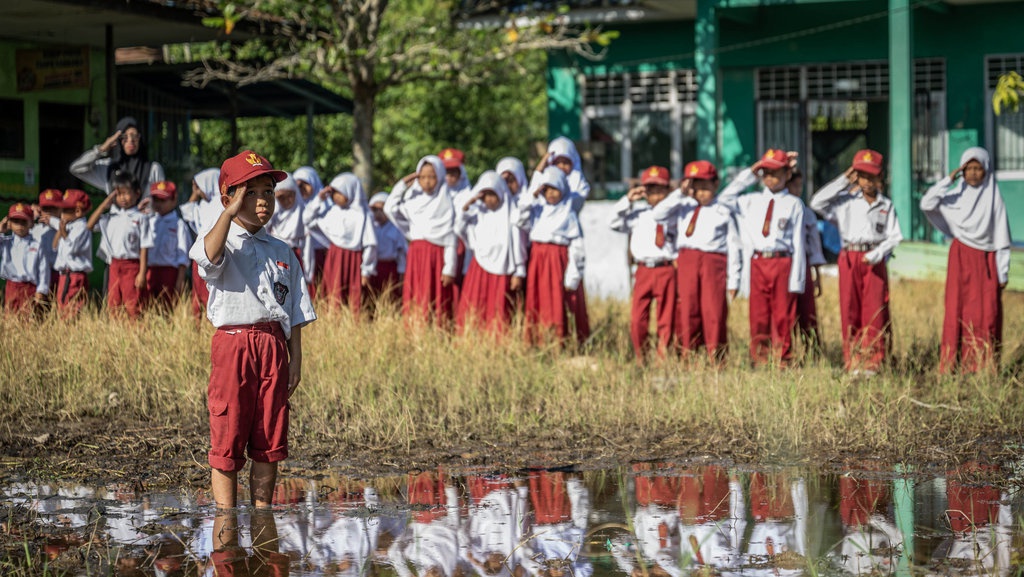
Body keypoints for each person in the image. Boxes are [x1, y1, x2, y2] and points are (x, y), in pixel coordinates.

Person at [188, 150, 316, 509]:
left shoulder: (282, 250)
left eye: (268, 192)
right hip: (233, 346)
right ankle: (226, 521)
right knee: (228, 433)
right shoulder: (218, 239)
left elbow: (296, 309)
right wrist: (227, 214)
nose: (263, 201)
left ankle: (263, 517)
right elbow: (208, 260)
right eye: (252, 192)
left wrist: (296, 359)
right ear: (229, 197)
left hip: (274, 345)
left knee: (269, 436)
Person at [920, 147, 1012, 374]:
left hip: (986, 260)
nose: (972, 173)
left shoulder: (994, 199)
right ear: (962, 171)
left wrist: (1003, 271)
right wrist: (947, 180)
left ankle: (982, 365)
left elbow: (1001, 238)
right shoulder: (955, 197)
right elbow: (927, 203)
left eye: (977, 168)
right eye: (968, 168)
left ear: (986, 170)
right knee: (956, 309)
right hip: (960, 258)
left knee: (986, 312)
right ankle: (953, 364)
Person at [810, 150, 902, 375]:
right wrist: (843, 180)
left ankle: (874, 360)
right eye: (862, 175)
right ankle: (853, 360)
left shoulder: (885, 205)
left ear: (880, 178)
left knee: (874, 310)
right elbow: (816, 202)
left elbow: (895, 236)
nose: (867, 181)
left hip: (874, 259)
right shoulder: (846, 202)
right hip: (850, 257)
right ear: (856, 176)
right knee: (850, 308)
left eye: (871, 176)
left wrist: (879, 253)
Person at [717, 149, 806, 368]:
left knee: (782, 314)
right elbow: (724, 198)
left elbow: (798, 243)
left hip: (782, 261)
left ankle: (783, 358)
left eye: (775, 172)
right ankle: (759, 358)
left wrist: (797, 279)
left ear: (787, 174)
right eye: (765, 172)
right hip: (758, 262)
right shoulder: (750, 201)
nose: (770, 177)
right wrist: (751, 172)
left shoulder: (794, 204)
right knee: (758, 314)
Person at [650, 161, 741, 363]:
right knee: (687, 308)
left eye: (705, 186)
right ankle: (687, 355)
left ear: (716, 184)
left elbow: (734, 247)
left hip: (713, 261)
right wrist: (680, 193)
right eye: (696, 186)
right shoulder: (683, 205)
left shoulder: (722, 211)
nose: (701, 192)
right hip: (687, 260)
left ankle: (716, 357)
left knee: (713, 310)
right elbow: (657, 214)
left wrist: (734, 279)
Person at [610, 166, 678, 363]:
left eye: (659, 189)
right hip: (643, 269)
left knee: (666, 315)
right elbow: (613, 222)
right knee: (638, 317)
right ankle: (642, 355)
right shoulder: (638, 214)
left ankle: (663, 355)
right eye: (650, 189)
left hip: (665, 268)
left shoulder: (674, 214)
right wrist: (628, 199)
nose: (655, 194)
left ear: (667, 190)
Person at [383, 155, 457, 328]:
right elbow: (389, 208)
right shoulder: (412, 201)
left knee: (435, 294)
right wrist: (403, 184)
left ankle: (437, 330)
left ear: (440, 177)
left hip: (437, 258)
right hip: (417, 255)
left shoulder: (446, 204)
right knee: (417, 293)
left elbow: (451, 240)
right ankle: (415, 330)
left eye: (432, 176)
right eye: (422, 177)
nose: (427, 181)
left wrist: (450, 268)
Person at [518, 166, 585, 346]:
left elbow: (577, 245)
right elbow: (519, 220)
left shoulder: (568, 214)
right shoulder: (537, 210)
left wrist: (573, 274)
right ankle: (538, 340)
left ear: (563, 189)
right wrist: (533, 195)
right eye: (546, 189)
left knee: (557, 299)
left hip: (557, 260)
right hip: (538, 260)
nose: (551, 194)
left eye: (555, 189)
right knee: (538, 298)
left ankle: (560, 340)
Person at [454, 170, 525, 335]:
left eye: (493, 194)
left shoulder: (511, 216)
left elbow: (517, 245)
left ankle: (497, 342)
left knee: (499, 307)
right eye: (485, 195)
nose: (489, 199)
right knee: (476, 305)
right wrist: (468, 206)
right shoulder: (478, 215)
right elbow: (459, 229)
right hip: (479, 269)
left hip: (503, 271)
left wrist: (519, 271)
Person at [539, 137, 591, 343]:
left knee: (566, 294)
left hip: (563, 248)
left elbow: (573, 203)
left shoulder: (577, 188)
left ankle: (568, 338)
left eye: (566, 162)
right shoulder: (542, 190)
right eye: (557, 162)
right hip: (542, 251)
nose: (561, 167)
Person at [304, 172, 377, 313]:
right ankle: (333, 322)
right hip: (334, 257)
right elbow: (307, 220)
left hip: (354, 260)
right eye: (334, 193)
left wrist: (366, 270)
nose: (335, 196)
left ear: (351, 191)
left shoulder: (363, 215)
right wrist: (319, 199)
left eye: (340, 192)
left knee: (353, 295)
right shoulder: (333, 212)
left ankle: (352, 325)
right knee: (333, 291)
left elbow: (370, 244)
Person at [87, 170, 153, 319]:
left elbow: (144, 247)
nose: (122, 198)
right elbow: (90, 225)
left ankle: (135, 333)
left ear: (137, 193)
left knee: (133, 303)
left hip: (132, 266)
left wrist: (142, 273)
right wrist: (105, 203)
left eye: (126, 193)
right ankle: (117, 334)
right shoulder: (111, 216)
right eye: (118, 194)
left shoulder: (141, 218)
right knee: (113, 302)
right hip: (114, 265)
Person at [69, 116, 165, 195]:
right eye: (124, 137)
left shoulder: (153, 169)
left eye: (134, 135)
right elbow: (76, 169)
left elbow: (161, 198)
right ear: (118, 140)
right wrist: (101, 150)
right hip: (117, 217)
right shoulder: (109, 167)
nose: (130, 140)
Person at [788, 168, 827, 359]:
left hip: (803, 267)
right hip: (783, 264)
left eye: (799, 185)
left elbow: (814, 247)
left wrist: (817, 277)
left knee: (807, 312)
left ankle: (813, 352)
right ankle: (785, 353)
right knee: (785, 312)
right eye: (793, 185)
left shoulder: (807, 213)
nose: (797, 189)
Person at [180, 168, 222, 319]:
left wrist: (197, 193)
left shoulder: (221, 203)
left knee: (208, 293)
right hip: (201, 255)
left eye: (199, 186)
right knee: (198, 292)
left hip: (212, 255)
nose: (197, 191)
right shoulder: (205, 204)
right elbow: (186, 211)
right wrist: (196, 193)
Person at [146, 180, 191, 311]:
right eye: (155, 199)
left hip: (169, 273)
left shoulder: (179, 224)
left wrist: (179, 281)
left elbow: (183, 256)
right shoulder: (149, 222)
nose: (158, 204)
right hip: (150, 270)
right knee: (147, 307)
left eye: (163, 200)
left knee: (166, 309)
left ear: (173, 200)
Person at [0, 203, 51, 314]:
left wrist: (41, 291)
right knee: (10, 318)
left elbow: (44, 271)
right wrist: (1, 229)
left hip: (30, 288)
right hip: (11, 287)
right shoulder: (5, 242)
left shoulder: (36, 246)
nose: (19, 226)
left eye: (24, 221)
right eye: (15, 221)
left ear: (31, 223)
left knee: (28, 319)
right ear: (9, 223)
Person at [52, 189, 94, 318]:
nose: (61, 214)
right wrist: (60, 229)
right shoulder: (69, 225)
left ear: (77, 211)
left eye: (65, 211)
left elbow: (72, 248)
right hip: (65, 275)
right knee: (62, 307)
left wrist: (63, 233)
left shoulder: (81, 228)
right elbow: (54, 246)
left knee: (71, 310)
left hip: (74, 276)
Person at [496, 157, 530, 309]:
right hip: (502, 261)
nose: (507, 185)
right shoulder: (493, 206)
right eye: (503, 181)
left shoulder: (527, 204)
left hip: (526, 259)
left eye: (512, 180)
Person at [293, 166, 330, 300]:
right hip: (299, 254)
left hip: (321, 253)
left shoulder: (326, 205)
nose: (301, 188)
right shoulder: (291, 205)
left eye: (305, 184)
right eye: (298, 184)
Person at [367, 192, 407, 314]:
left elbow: (402, 253)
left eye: (382, 209)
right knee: (371, 296)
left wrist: (401, 272)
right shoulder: (369, 226)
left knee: (390, 296)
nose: (378, 214)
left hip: (389, 268)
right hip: (372, 267)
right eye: (375, 209)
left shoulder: (396, 228)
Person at [266, 173, 306, 264]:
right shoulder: (272, 214)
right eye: (281, 197)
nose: (286, 200)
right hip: (274, 254)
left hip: (295, 257)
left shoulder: (302, 213)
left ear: (296, 193)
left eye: (290, 196)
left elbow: (306, 244)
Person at [32, 188, 63, 298]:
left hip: (59, 274)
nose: (49, 212)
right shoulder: (35, 230)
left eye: (53, 208)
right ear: (40, 209)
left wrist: (54, 222)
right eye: (46, 208)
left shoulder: (65, 228)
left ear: (61, 209)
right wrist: (32, 217)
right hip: (39, 275)